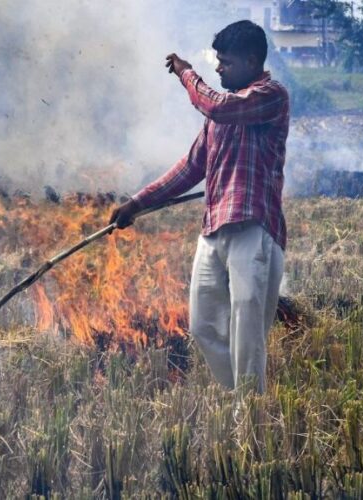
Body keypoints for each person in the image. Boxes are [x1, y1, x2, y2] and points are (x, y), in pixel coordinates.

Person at [109, 20, 289, 394]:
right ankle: (241, 398)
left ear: (252, 61)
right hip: (213, 230)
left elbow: (216, 105)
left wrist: (186, 73)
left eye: (226, 62)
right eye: (217, 61)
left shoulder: (270, 95)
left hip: (253, 228)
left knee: (247, 331)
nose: (219, 68)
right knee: (203, 326)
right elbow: (190, 169)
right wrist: (136, 203)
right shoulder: (218, 117)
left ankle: (249, 420)